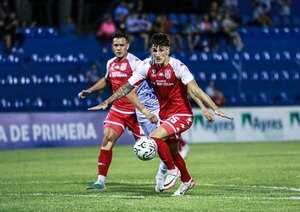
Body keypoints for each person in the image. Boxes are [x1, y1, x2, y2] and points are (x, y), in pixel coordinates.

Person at [89, 33, 233, 196]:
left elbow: (195, 90)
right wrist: (108, 101)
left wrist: (213, 107)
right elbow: (127, 88)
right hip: (165, 115)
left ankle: (172, 171)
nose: (157, 54)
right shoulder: (146, 65)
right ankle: (187, 180)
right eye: (154, 50)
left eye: (161, 50)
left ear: (168, 50)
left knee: (155, 138)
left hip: (183, 114)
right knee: (173, 153)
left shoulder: (178, 66)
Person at [78, 32, 156, 190]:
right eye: (116, 45)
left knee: (156, 144)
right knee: (107, 139)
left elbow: (144, 82)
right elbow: (107, 80)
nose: (119, 48)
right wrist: (90, 90)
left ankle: (169, 173)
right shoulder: (110, 63)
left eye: (122, 45)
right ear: (112, 47)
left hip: (137, 112)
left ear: (128, 46)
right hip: (118, 110)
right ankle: (100, 181)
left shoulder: (136, 63)